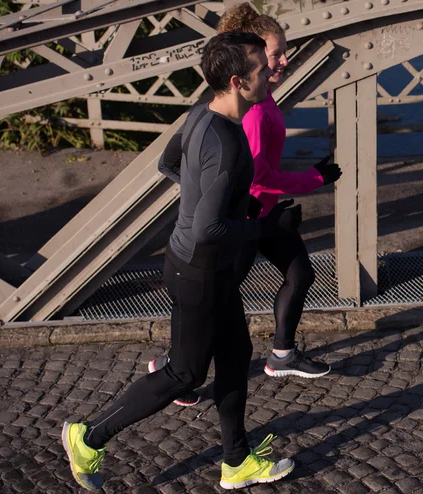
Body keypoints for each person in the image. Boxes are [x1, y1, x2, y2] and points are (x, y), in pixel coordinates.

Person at [61, 32, 300, 491]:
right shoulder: (227, 144)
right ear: (237, 81)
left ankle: (237, 461)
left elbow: (168, 164)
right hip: (201, 270)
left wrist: (231, 207)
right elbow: (209, 227)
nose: (270, 70)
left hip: (202, 262)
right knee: (185, 372)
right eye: (260, 67)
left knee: (236, 355)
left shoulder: (201, 114)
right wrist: (267, 228)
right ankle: (88, 437)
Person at [150, 3, 342, 401]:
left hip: (265, 213)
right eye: (275, 55)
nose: (284, 61)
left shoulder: (262, 97)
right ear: (250, 64)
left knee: (300, 274)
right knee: (212, 302)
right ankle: (174, 370)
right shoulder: (249, 113)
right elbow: (257, 175)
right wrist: (314, 178)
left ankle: (281, 355)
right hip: (245, 218)